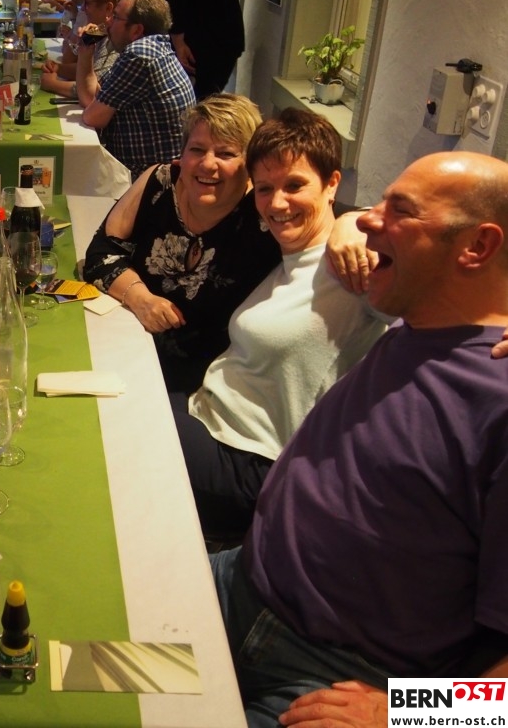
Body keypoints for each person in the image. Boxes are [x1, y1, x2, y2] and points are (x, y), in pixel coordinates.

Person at [211, 151, 508, 726]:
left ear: (476, 246)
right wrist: (346, 220)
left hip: (332, 679)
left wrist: (408, 714)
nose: (370, 218)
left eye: (401, 210)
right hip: (236, 581)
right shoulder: (415, 321)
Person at [172, 110, 388, 538]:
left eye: (294, 185)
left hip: (253, 463)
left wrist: (359, 223)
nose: (276, 204)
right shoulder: (282, 254)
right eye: (265, 189)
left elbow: (448, 295)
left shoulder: (356, 266)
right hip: (209, 417)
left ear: (332, 184)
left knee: (112, 427)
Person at [83, 94, 279, 394]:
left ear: (250, 165)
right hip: (126, 348)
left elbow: (320, 226)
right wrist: (141, 299)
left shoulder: (264, 214)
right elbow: (101, 254)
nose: (207, 164)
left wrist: (347, 227)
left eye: (226, 154)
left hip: (206, 385)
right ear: (182, 153)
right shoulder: (160, 181)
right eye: (197, 149)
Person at [77, 0, 196, 181]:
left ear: (136, 30)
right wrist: (85, 51)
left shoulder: (139, 54)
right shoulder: (157, 47)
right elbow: (92, 99)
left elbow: (93, 117)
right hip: (155, 171)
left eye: (115, 17)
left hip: (145, 178)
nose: (108, 21)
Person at [40, 0, 131, 97]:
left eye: (87, 3)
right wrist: (58, 68)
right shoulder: (101, 31)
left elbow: (94, 91)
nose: (82, 8)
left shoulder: (117, 42)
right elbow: (88, 70)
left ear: (108, 9)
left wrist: (53, 84)